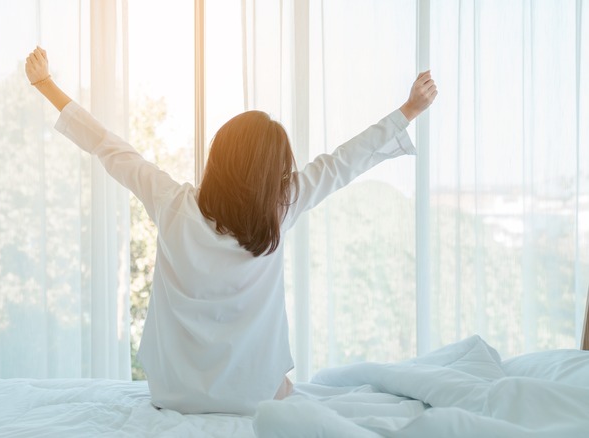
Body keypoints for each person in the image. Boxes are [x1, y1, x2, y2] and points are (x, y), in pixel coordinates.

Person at [25, 46, 437, 415]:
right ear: (271, 172)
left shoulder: (171, 203)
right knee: (285, 385)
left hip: (173, 392)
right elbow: (345, 161)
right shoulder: (281, 206)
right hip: (255, 394)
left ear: (217, 157)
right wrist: (409, 110)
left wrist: (46, 85)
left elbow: (109, 147)